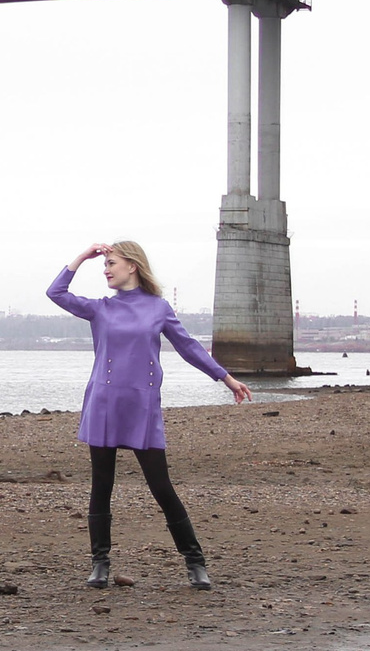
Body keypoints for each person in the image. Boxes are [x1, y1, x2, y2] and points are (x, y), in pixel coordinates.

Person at [47, 240, 251, 590]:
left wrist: (226, 378)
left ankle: (195, 563)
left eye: (112, 263)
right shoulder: (101, 308)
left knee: (161, 486)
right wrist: (82, 256)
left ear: (133, 266)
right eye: (104, 265)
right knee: (101, 486)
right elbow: (56, 292)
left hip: (142, 405)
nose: (106, 269)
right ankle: (100, 563)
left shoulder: (158, 308)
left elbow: (188, 347)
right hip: (103, 403)